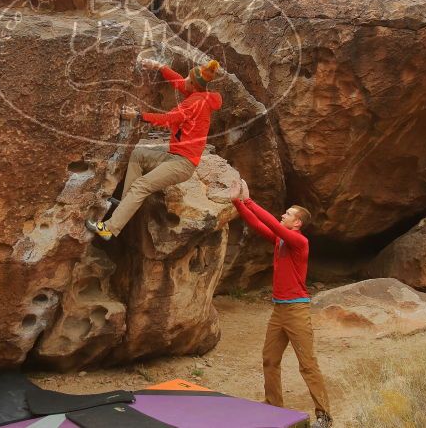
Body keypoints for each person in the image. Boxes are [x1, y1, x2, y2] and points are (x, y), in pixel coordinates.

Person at [229, 179, 332, 428]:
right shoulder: (280, 240)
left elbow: (272, 224)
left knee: (307, 364)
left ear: (297, 223)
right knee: (269, 359)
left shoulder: (299, 242)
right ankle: (274, 407)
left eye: (288, 214)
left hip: (297, 310)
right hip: (279, 310)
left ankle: (324, 416)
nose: (283, 215)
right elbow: (256, 224)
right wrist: (237, 201)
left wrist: (249, 199)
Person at [85, 58, 222, 240]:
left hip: (183, 164)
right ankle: (126, 202)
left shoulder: (192, 104)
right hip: (175, 157)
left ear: (195, 86)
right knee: (138, 155)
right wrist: (159, 67)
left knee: (142, 185)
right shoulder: (200, 95)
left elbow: (167, 120)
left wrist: (138, 115)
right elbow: (178, 82)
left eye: (188, 81)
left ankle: (109, 228)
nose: (184, 82)